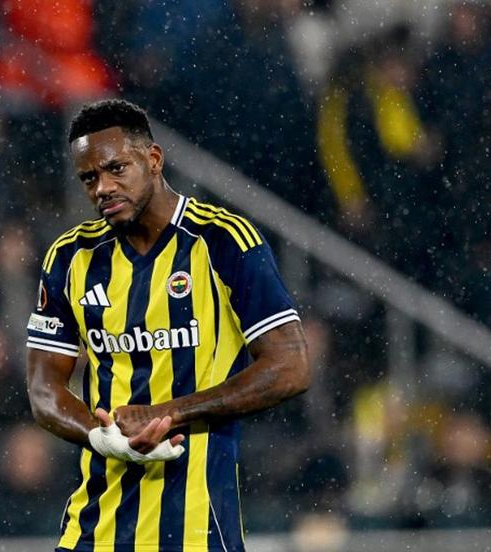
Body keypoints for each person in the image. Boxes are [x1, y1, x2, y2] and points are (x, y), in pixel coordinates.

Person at [26, 99, 310, 552]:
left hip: (197, 529)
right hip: (94, 530)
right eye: (88, 178)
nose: (102, 187)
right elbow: (44, 392)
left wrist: (171, 412)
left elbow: (291, 366)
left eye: (116, 168)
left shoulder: (223, 241)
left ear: (153, 160)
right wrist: (101, 438)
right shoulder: (70, 257)